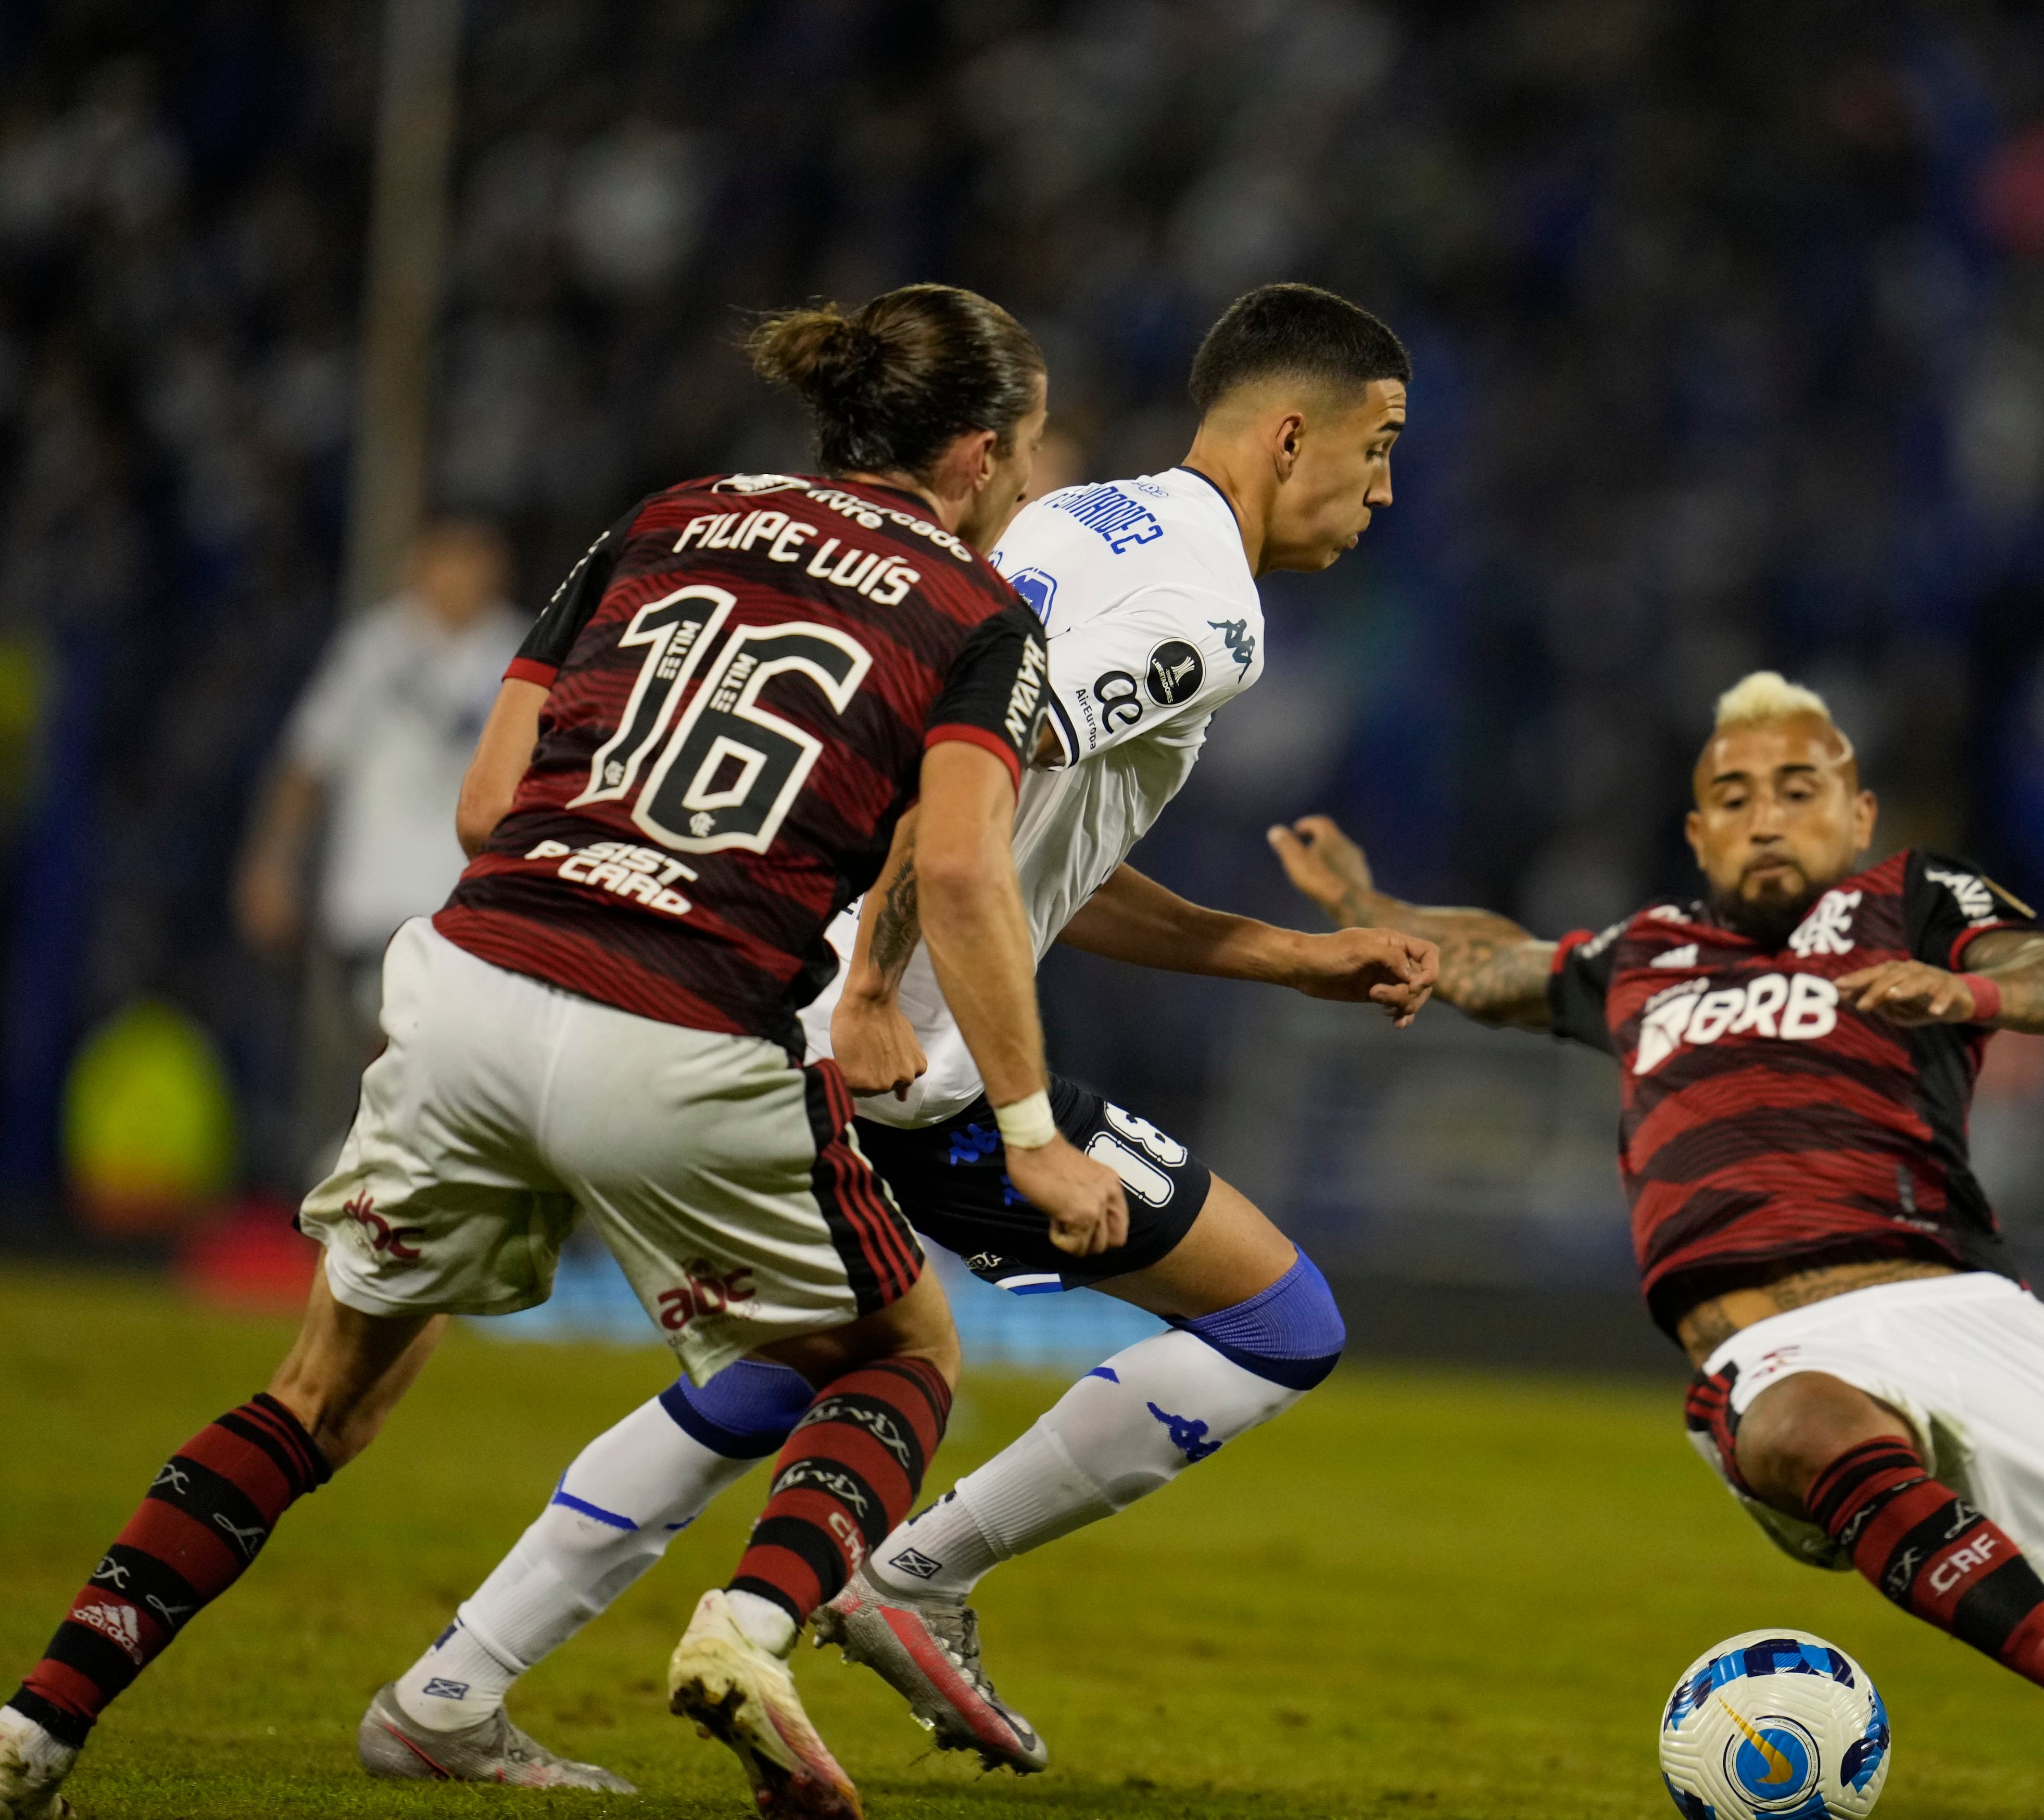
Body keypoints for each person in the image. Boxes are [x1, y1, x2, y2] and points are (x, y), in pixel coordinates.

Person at [0, 284, 1130, 1820]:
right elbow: (959, 870)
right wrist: (1028, 1122)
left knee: (319, 1393)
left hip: (470, 974)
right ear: (986, 450)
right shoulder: (977, 614)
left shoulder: (665, 518)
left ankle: (40, 1726)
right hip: (680, 1024)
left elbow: (484, 805)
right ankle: (748, 1627)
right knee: (900, 1354)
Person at [357, 282, 1432, 1785]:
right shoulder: (1209, 616)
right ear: (1292, 431)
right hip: (902, 1051)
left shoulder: (1073, 517)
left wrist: (1285, 957)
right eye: (1379, 449)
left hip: (776, 1008)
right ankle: (910, 1574)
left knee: (787, 1369)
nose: (1384, 491)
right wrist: (876, 993)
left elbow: (1035, 845)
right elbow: (953, 827)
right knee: (1276, 1321)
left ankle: (451, 1693)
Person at [1265, 673, 2044, 1820]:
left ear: (1859, 816)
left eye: (1798, 790)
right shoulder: (1640, 951)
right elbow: (1481, 960)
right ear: (1698, 832)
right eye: (1734, 795)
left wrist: (1959, 991)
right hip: (1772, 1340)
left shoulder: (1913, 898)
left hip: (1962, 1301)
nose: (1765, 815)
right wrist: (1362, 892)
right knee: (1805, 1421)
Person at [235, 518, 526, 1169]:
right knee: (402, 1045)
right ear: (421, 561)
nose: (461, 572)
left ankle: (374, 1175)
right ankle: (380, 1178)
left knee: (434, 1061)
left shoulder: (520, 652)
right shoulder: (375, 649)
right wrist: (272, 860)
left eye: (476, 555)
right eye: (449, 555)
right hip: (373, 903)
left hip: (473, 906)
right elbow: (308, 764)